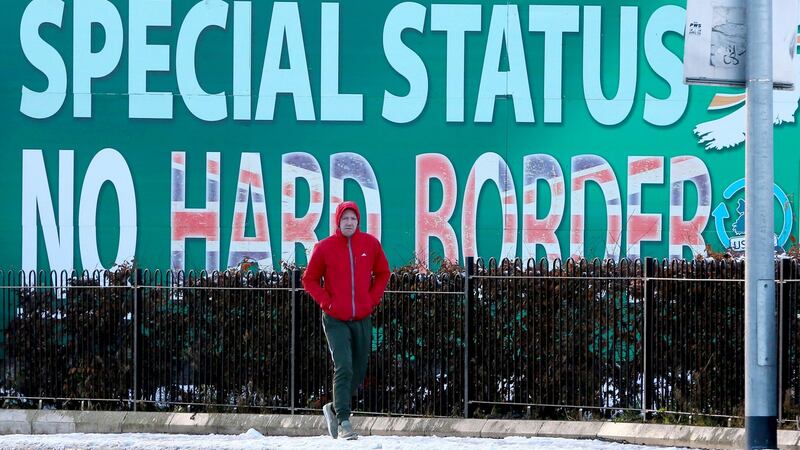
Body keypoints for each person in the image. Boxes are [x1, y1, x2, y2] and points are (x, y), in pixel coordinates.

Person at [302, 201, 390, 440]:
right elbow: (309, 280)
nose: (349, 222)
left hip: (361, 317)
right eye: (345, 219)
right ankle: (344, 420)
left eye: (353, 219)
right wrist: (327, 302)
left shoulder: (370, 244)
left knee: (358, 371)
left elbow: (383, 273)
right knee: (344, 366)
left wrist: (371, 299)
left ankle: (333, 407)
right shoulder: (324, 247)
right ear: (338, 221)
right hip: (335, 319)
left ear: (358, 221)